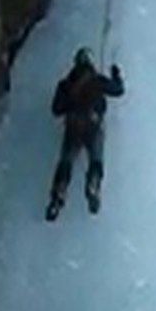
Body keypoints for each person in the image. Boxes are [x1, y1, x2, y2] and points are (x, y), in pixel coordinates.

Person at [45, 47, 125, 221]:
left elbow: (56, 110)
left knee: (66, 161)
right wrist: (116, 73)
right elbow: (118, 90)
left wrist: (71, 105)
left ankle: (58, 194)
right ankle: (93, 185)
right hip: (93, 124)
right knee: (96, 158)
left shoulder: (65, 85)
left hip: (73, 126)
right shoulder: (97, 80)